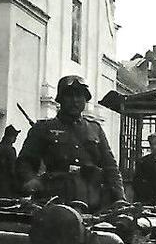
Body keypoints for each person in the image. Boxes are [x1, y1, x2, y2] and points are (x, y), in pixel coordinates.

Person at [17, 75, 125, 211]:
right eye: (69, 96)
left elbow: (111, 167)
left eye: (80, 96)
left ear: (85, 100)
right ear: (60, 99)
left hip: (92, 201)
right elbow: (25, 162)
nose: (75, 101)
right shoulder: (43, 128)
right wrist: (31, 180)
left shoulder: (95, 129)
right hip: (54, 199)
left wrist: (120, 198)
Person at [0, 125, 20, 198]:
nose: (15, 138)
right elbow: (12, 170)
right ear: (10, 136)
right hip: (7, 186)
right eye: (14, 136)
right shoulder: (11, 150)